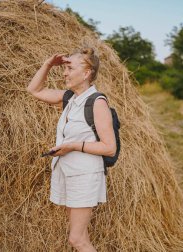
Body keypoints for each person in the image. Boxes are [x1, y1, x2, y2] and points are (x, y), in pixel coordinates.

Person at [26, 48, 116, 252]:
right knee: (82, 236)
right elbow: (34, 90)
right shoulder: (71, 98)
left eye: (69, 68)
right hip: (68, 173)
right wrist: (48, 64)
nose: (64, 73)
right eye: (64, 68)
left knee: (77, 240)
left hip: (84, 176)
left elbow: (109, 148)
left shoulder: (97, 102)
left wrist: (72, 146)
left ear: (86, 73)